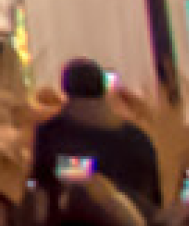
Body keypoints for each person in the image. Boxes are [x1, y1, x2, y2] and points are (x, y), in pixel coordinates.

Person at [30, 65, 164, 216]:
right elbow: (155, 196)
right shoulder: (138, 137)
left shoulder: (52, 134)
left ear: (66, 90)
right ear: (102, 88)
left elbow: (48, 183)